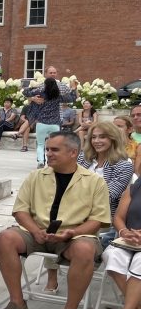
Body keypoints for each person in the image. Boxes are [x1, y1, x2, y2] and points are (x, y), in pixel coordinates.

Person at [0, 131, 110, 309]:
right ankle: (17, 302)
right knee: (6, 238)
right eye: (47, 149)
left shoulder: (94, 181)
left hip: (74, 236)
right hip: (37, 232)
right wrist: (34, 230)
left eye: (54, 149)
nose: (49, 153)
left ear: (73, 152)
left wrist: (71, 233)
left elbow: (98, 220)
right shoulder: (36, 176)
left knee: (84, 249)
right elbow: (20, 210)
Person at [43, 121, 134, 292]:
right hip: (68, 212)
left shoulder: (123, 165)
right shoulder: (83, 159)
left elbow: (108, 196)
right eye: (94, 137)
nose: (97, 141)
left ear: (113, 138)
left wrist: (73, 198)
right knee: (51, 222)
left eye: (102, 137)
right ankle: (52, 276)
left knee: (59, 225)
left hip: (99, 218)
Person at [105, 178, 141, 309]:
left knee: (140, 262)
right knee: (112, 255)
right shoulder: (134, 187)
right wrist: (125, 232)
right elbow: (118, 218)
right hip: (129, 240)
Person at [23, 65, 77, 168]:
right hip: (55, 124)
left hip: (41, 123)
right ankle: (53, 162)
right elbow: (72, 98)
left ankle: (40, 161)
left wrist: (33, 95)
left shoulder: (40, 93)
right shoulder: (58, 97)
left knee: (40, 144)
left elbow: (25, 92)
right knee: (55, 145)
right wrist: (74, 88)